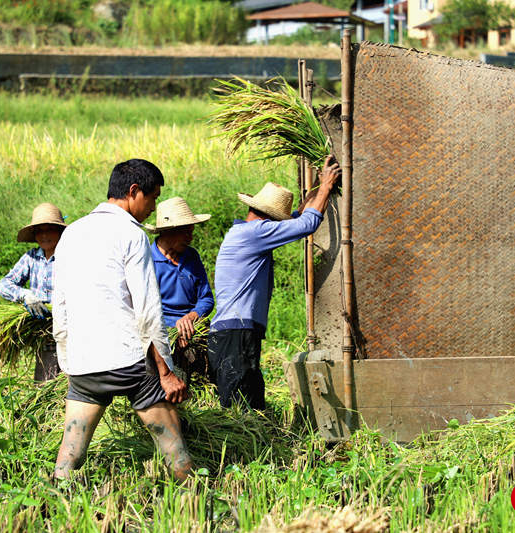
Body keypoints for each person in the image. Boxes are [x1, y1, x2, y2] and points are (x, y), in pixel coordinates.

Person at [51, 159, 192, 481]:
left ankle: (54, 499)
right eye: (153, 198)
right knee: (174, 449)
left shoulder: (71, 233)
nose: (152, 207)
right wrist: (166, 373)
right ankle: (199, 502)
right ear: (133, 191)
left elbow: (59, 302)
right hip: (129, 361)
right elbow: (147, 310)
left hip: (84, 361)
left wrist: (68, 357)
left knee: (69, 456)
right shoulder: (130, 233)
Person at [208, 156, 340, 410]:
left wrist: (315, 184)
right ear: (268, 218)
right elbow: (307, 223)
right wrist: (326, 187)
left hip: (235, 332)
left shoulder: (247, 231)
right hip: (236, 334)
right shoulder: (255, 233)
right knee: (239, 408)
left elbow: (297, 218)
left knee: (250, 401)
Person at [146, 197, 214, 382]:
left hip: (194, 328)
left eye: (191, 232)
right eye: (185, 232)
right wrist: (175, 330)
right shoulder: (148, 260)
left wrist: (191, 316)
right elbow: (146, 308)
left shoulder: (191, 256)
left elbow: (206, 298)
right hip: (163, 334)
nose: (190, 238)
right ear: (168, 231)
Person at [0, 202, 66, 382]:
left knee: (74, 386)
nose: (44, 235)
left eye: (49, 229)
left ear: (59, 231)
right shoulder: (31, 258)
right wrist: (25, 295)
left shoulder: (70, 256)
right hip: (44, 334)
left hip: (69, 332)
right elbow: (4, 285)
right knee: (46, 385)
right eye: (39, 231)